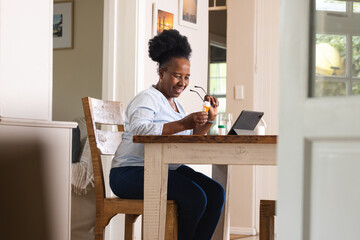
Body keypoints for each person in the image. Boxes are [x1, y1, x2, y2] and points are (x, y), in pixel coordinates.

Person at [109, 29, 225, 240]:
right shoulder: (147, 98)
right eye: (177, 76)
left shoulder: (177, 105)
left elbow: (189, 141)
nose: (182, 82)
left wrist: (209, 119)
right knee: (195, 196)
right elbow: (140, 131)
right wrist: (183, 123)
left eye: (187, 77)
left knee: (216, 193)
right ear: (161, 73)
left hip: (162, 169)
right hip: (129, 173)